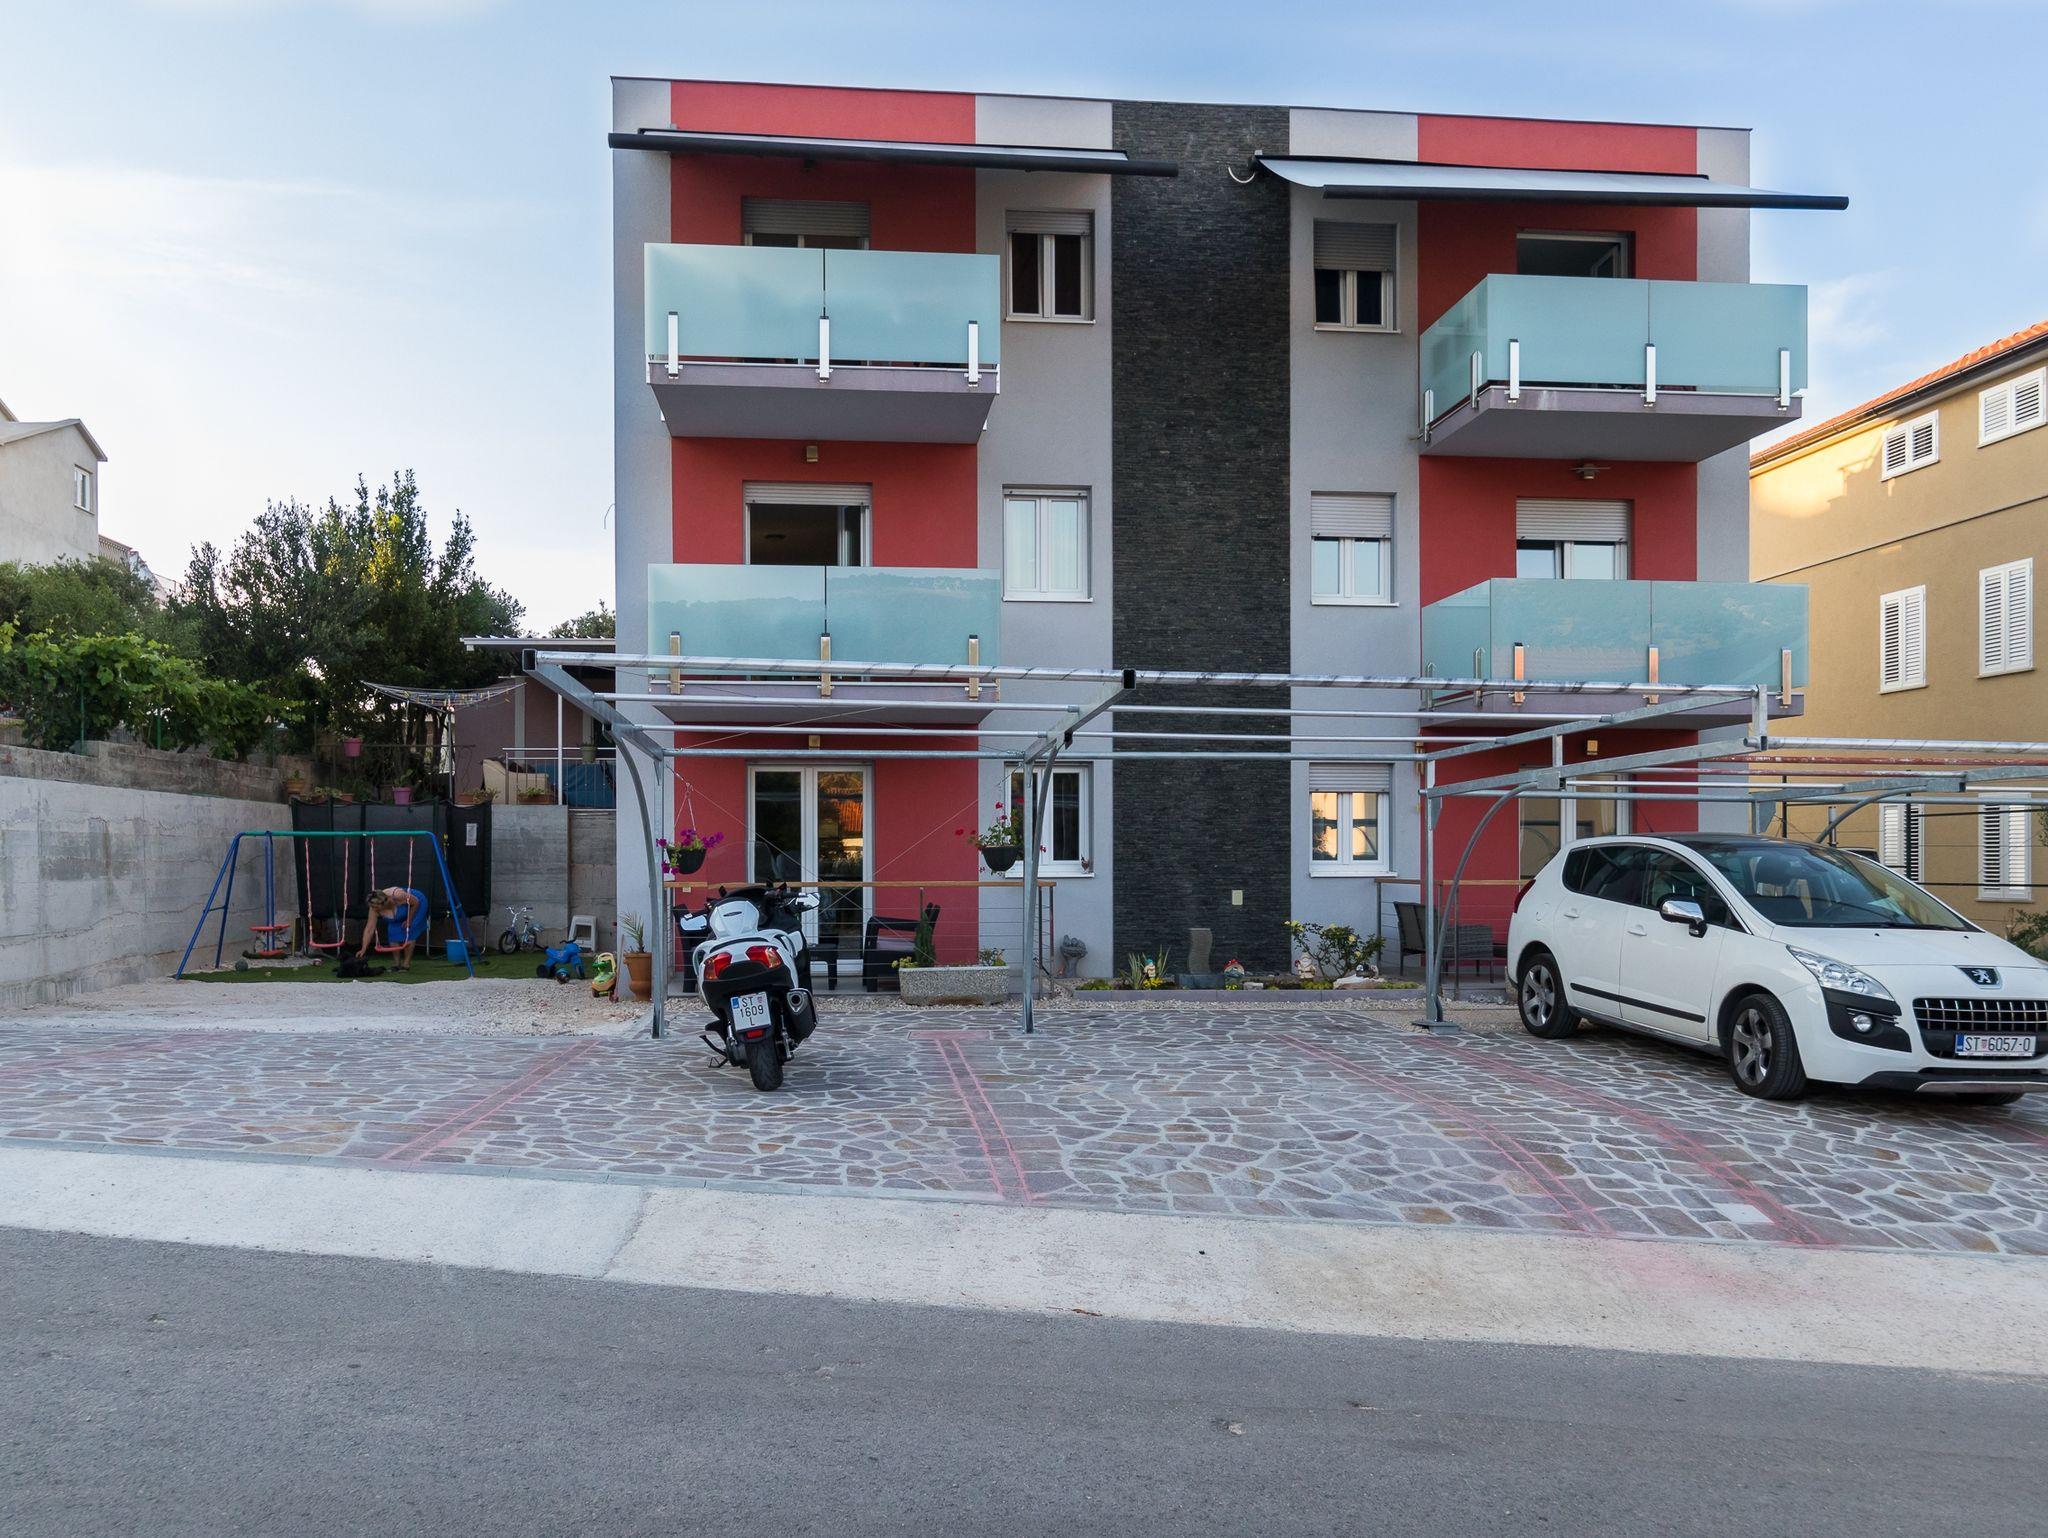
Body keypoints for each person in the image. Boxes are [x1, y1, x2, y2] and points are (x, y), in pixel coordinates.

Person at [359, 886, 428, 971]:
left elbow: (416, 902)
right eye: (372, 907)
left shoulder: (398, 896)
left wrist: (409, 920)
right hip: (397, 909)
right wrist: (363, 948)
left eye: (376, 907)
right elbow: (369, 929)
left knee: (409, 929)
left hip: (416, 903)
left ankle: (406, 964)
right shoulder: (374, 907)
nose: (374, 909)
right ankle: (396, 964)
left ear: (384, 903)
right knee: (393, 930)